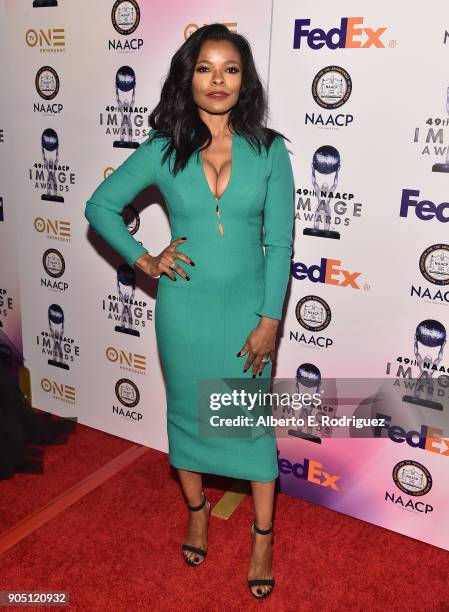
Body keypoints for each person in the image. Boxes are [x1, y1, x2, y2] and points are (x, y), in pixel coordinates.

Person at [84, 23, 294, 600]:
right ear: (188, 75)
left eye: (230, 68)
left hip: (249, 315)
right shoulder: (161, 147)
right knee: (188, 417)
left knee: (249, 426)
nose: (218, 80)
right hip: (184, 311)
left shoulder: (270, 150)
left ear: (244, 79)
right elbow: (99, 205)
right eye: (205, 68)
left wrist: (270, 320)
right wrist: (144, 259)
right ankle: (197, 510)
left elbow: (280, 244)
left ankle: (261, 537)